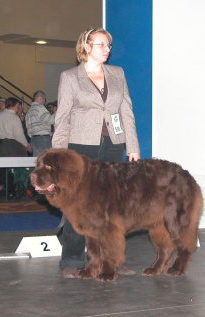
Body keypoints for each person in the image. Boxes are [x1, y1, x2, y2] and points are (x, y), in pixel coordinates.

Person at [52, 27, 140, 278]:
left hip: (113, 144)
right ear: (87, 46)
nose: (107, 50)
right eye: (102, 45)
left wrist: (132, 147)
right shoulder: (70, 77)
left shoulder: (117, 74)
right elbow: (63, 119)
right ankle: (72, 258)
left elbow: (126, 112)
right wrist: (58, 155)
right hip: (81, 147)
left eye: (109, 46)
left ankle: (113, 259)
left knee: (113, 205)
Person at [0, 97, 32, 195]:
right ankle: (14, 187)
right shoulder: (14, 118)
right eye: (18, 106)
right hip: (8, 144)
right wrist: (27, 145)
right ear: (13, 105)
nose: (19, 108)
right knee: (14, 166)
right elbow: (19, 135)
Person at [25, 91, 54, 157]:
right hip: (43, 139)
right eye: (44, 99)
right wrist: (56, 114)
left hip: (33, 139)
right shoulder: (40, 108)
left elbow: (27, 127)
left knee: (38, 161)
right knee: (45, 160)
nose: (44, 102)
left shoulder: (29, 111)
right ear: (40, 98)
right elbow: (50, 120)